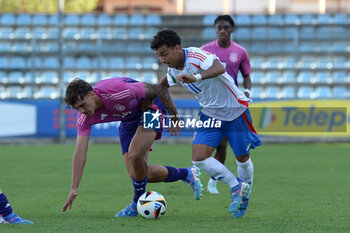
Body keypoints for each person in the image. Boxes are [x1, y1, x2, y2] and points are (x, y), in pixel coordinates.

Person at [151, 29, 261, 218]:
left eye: (164, 54)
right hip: (210, 114)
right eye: (158, 56)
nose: (162, 59)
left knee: (242, 159)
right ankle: (236, 187)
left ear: (177, 48)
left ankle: (245, 194)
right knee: (199, 158)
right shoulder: (173, 71)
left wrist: (197, 77)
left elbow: (220, 68)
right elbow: (160, 88)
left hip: (235, 110)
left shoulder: (195, 55)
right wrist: (171, 116)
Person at [61, 77, 202, 218]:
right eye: (77, 108)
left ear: (92, 94)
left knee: (135, 155)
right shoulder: (83, 118)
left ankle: (137, 204)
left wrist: (175, 118)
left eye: (83, 105)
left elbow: (159, 89)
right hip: (128, 119)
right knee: (137, 174)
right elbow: (80, 152)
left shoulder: (116, 91)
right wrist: (74, 188)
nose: (82, 110)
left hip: (151, 108)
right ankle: (187, 173)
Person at [201, 15, 253, 194]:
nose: (222, 31)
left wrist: (246, 93)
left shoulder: (240, 52)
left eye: (226, 28)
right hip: (212, 104)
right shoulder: (205, 50)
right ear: (215, 30)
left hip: (233, 105)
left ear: (231, 29)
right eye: (219, 28)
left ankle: (230, 181)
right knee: (216, 146)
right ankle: (215, 180)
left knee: (233, 148)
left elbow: (246, 76)